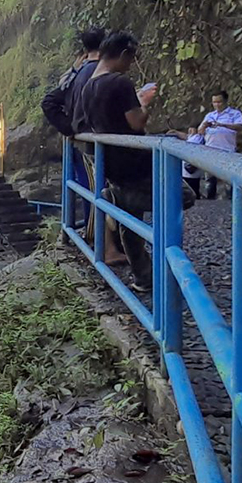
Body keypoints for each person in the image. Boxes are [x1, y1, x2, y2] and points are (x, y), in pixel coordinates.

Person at [75, 32, 196, 293]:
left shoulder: (87, 88)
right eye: (131, 58)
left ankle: (144, 278)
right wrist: (144, 102)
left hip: (112, 162)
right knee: (184, 195)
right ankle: (116, 199)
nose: (131, 64)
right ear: (123, 55)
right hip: (134, 161)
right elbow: (136, 122)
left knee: (130, 222)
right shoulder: (120, 82)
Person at [42, 27, 106, 231]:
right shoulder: (101, 73)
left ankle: (92, 234)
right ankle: (99, 239)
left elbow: (49, 102)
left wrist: (69, 128)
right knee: (97, 188)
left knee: (89, 188)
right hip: (94, 142)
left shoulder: (74, 75)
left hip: (79, 141)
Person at [197, 90, 242, 199]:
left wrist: (223, 125)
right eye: (214, 102)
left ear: (225, 101)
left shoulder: (234, 114)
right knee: (209, 180)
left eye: (219, 102)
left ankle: (230, 201)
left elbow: (240, 127)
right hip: (210, 149)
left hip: (227, 149)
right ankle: (210, 200)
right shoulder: (209, 115)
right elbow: (200, 131)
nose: (217, 105)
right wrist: (204, 125)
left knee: (228, 179)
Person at [181, 127, 204, 199]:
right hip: (186, 166)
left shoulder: (200, 138)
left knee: (193, 186)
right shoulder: (192, 137)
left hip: (193, 166)